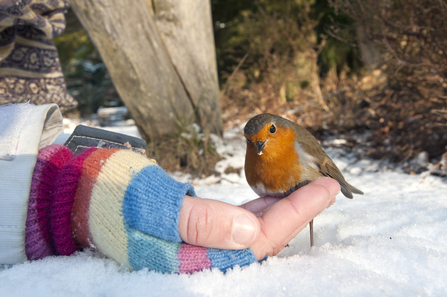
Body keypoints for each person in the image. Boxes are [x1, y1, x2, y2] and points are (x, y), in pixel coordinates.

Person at [0, 103, 340, 274]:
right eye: (253, 142)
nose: (259, 146)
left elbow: (325, 167)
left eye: (267, 135)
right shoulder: (257, 154)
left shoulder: (297, 143)